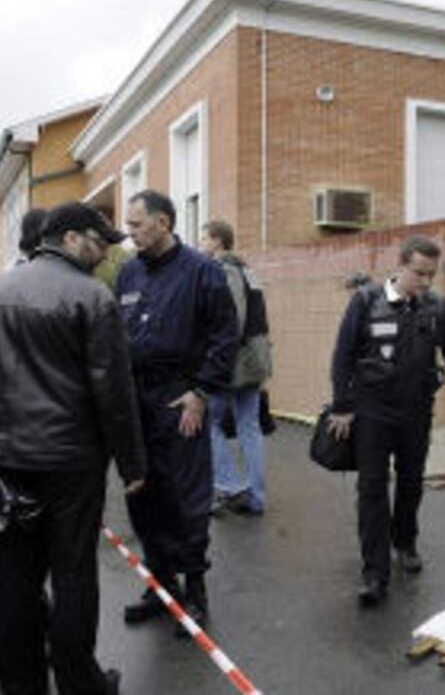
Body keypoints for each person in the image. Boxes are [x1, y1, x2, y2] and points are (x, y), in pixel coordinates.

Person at [0, 202, 145, 695]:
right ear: (70, 238)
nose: (105, 253)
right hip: (72, 464)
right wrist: (132, 463)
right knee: (73, 573)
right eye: (99, 242)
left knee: (16, 571)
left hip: (11, 459)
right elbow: (114, 392)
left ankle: (19, 683)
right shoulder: (93, 297)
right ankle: (80, 683)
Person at [327, 235, 445, 606]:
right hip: (372, 412)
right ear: (399, 265)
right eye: (419, 273)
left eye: (432, 275)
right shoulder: (365, 301)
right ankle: (374, 572)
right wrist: (342, 405)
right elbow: (343, 356)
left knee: (412, 483)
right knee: (371, 489)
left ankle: (405, 542)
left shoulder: (438, 308)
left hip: (416, 412)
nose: (426, 282)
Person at [117, 190, 238, 631]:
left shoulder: (202, 271)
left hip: (180, 398)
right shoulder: (128, 273)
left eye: (136, 225)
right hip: (136, 401)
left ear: (163, 222)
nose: (129, 234)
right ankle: (160, 584)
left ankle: (195, 592)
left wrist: (202, 392)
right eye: (128, 226)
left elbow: (227, 336)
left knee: (186, 498)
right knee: (143, 494)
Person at [200, 220, 272, 517]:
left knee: (209, 423)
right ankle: (255, 496)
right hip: (254, 359)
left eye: (204, 237)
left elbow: (233, 320)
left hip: (233, 362)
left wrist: (214, 360)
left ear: (217, 241)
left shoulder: (224, 269)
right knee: (248, 426)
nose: (200, 242)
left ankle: (230, 485)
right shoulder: (247, 270)